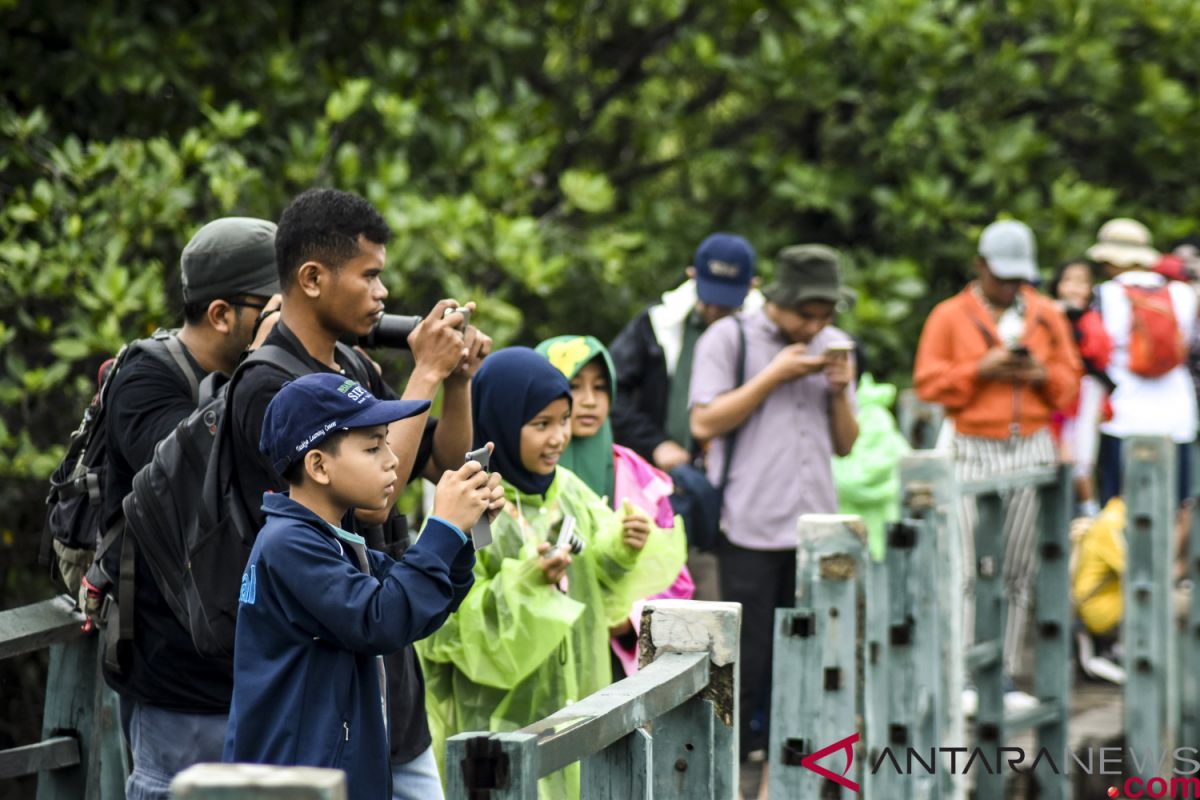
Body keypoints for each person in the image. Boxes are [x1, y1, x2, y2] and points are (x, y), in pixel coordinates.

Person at [228, 188, 490, 800]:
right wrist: (443, 528)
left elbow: (406, 590)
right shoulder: (268, 394)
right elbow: (380, 531)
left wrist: (457, 384)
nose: (383, 293)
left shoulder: (349, 370)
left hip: (365, 726)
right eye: (370, 275)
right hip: (305, 770)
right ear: (312, 277)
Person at [416, 348, 686, 800]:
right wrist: (528, 583)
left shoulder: (570, 492)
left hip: (576, 704)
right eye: (540, 424)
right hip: (497, 725)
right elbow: (447, 630)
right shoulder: (475, 505)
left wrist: (622, 548)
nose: (558, 437)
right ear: (499, 422)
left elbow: (607, 595)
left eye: (563, 420)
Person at [223, 373, 501, 800]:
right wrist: (442, 528)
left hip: (332, 777)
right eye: (373, 447)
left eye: (387, 442)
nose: (392, 459)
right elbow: (381, 621)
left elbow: (412, 607)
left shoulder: (334, 540)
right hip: (297, 784)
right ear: (317, 465)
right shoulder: (289, 545)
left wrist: (461, 537)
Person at [84, 217, 281, 800]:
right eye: (276, 307)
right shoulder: (145, 380)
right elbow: (190, 474)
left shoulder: (272, 375)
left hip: (259, 676)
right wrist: (264, 360)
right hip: (178, 682)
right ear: (223, 314)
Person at [689, 243, 859, 760]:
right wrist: (773, 376)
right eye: (805, 314)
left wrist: (837, 391)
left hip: (816, 530)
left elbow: (847, 443)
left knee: (808, 652)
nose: (814, 327)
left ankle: (797, 756)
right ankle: (740, 760)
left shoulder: (834, 345)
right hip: (750, 524)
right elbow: (703, 423)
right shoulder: (729, 337)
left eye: (824, 316)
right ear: (777, 299)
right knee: (749, 657)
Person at [914, 219, 1081, 714]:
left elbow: (1071, 385)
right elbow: (928, 384)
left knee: (1017, 569)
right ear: (980, 266)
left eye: (1018, 278)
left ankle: (1004, 673)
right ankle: (966, 670)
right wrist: (980, 369)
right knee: (969, 564)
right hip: (973, 445)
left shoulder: (1046, 313)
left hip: (1031, 445)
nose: (1010, 287)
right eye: (1002, 276)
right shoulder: (950, 315)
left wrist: (1038, 374)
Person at [608, 232, 761, 600]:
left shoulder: (764, 335)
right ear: (692, 277)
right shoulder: (656, 326)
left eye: (727, 305)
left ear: (752, 287)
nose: (715, 312)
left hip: (739, 490)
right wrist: (656, 444)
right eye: (709, 301)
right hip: (668, 483)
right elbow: (610, 393)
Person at [535, 334, 694, 677]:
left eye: (601, 387)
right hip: (543, 659)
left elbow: (678, 583)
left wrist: (627, 620)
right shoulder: (522, 477)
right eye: (574, 387)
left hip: (620, 664)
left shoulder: (640, 477)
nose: (590, 401)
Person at [1088, 217, 1197, 511]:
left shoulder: (1104, 294)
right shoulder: (1182, 293)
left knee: (1118, 501)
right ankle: (1173, 559)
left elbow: (1093, 352)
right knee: (1177, 502)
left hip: (1123, 412)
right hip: (1176, 412)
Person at [1047, 258, 1113, 518]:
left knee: (1081, 461)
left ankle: (1089, 515)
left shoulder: (1091, 320)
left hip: (1084, 397)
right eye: (1069, 280)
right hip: (1057, 399)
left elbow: (1099, 354)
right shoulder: (1048, 314)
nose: (1075, 288)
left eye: (1082, 282)